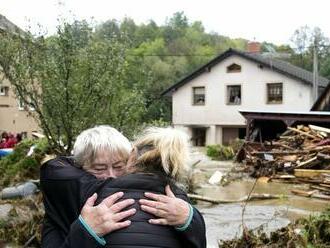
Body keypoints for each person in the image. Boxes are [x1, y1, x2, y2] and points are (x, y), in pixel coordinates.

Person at [40, 126, 206, 247]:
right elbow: (54, 169)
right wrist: (86, 231)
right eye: (99, 168)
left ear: (131, 160)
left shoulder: (172, 200)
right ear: (78, 168)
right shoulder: (64, 198)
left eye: (119, 166)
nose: (111, 175)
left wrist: (189, 218)